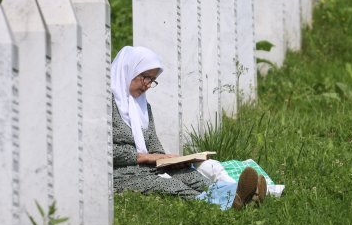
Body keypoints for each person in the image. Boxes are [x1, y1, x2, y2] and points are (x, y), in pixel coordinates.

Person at [111, 45, 266, 209]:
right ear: (129, 70)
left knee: (190, 176)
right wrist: (143, 157)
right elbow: (104, 150)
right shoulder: (107, 105)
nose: (148, 85)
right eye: (146, 78)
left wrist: (167, 160)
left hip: (148, 167)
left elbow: (153, 142)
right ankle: (224, 204)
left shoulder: (143, 106)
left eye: (152, 80)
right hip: (123, 173)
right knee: (170, 186)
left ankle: (240, 193)